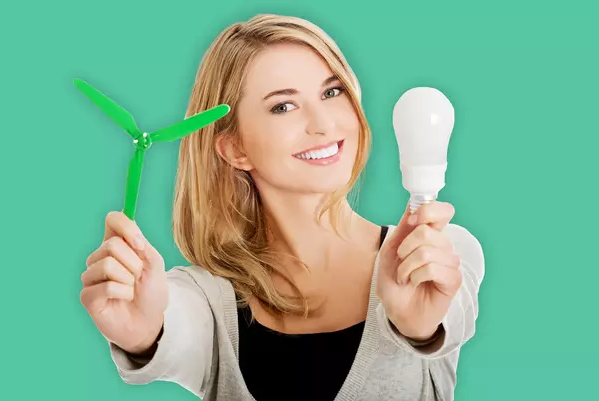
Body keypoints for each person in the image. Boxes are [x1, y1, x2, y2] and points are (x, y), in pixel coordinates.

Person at [79, 13, 485, 401]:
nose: (323, 123)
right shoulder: (208, 299)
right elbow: (171, 324)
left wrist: (418, 327)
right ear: (234, 147)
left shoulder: (437, 252)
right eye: (283, 106)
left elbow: (450, 315)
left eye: (332, 91)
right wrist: (141, 332)